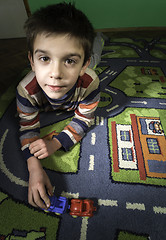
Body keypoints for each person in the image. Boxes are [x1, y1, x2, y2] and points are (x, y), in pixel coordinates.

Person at [16, 3, 102, 209]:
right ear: (32, 61)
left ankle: (99, 39)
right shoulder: (26, 90)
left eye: (70, 61)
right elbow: (27, 127)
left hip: (92, 62)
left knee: (98, 53)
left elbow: (84, 119)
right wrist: (34, 167)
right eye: (45, 58)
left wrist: (55, 143)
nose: (56, 73)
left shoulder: (90, 82)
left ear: (83, 65)